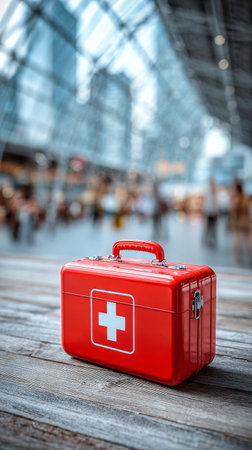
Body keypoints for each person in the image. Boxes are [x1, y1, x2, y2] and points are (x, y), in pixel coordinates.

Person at [230, 182, 252, 265]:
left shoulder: (236, 198)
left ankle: (238, 258)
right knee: (248, 239)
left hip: (238, 221)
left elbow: (234, 211)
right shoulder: (246, 198)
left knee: (237, 239)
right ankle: (250, 257)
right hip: (246, 220)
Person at [204, 179, 218, 247]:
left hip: (214, 213)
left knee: (213, 228)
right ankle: (206, 240)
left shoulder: (216, 192)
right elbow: (206, 203)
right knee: (207, 227)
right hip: (208, 212)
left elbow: (217, 203)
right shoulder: (208, 191)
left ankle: (213, 240)